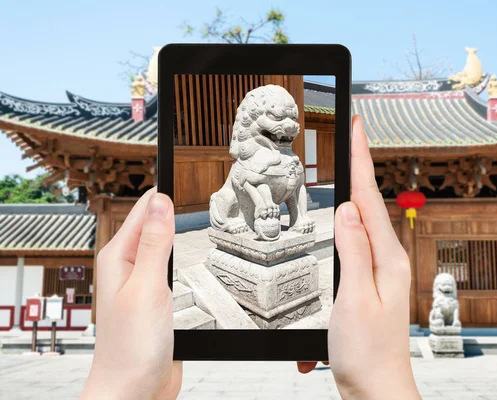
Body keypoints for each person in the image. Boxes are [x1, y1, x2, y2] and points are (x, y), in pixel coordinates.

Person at [80, 115, 421, 400]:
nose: (288, 126)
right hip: (241, 215)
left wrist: (118, 387)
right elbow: (248, 186)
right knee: (229, 203)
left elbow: (296, 189)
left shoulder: (289, 158)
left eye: (291, 119)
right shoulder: (247, 161)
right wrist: (383, 386)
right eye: (276, 119)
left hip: (274, 226)